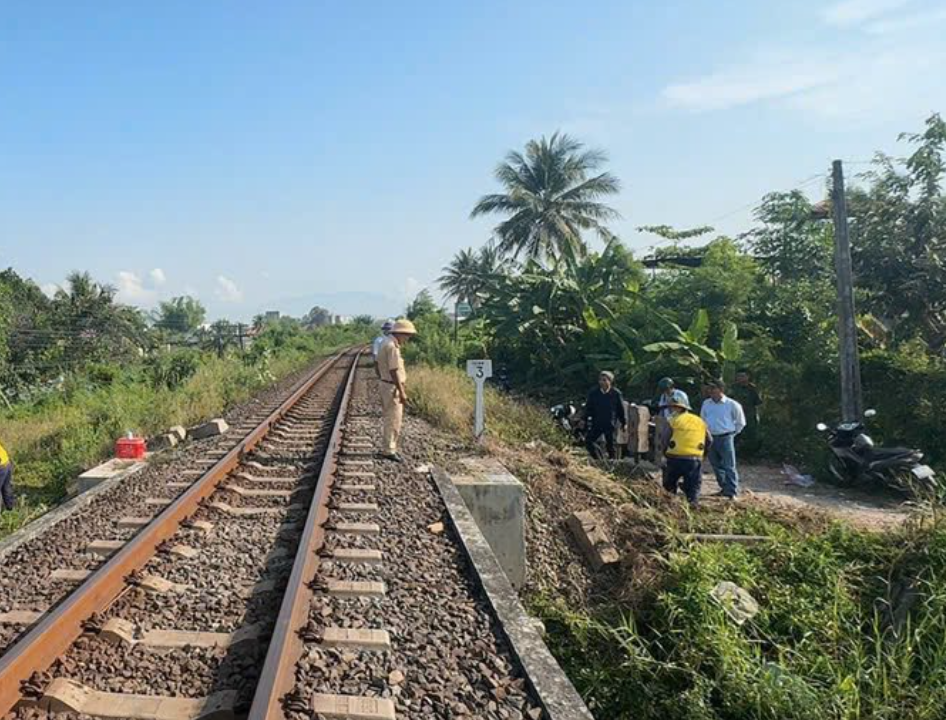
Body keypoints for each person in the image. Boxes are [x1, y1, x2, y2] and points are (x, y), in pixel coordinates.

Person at [375, 318, 417, 462]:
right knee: (393, 419)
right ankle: (389, 450)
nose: (408, 338)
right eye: (407, 335)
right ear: (400, 333)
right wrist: (402, 392)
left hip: (386, 383)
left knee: (389, 417)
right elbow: (394, 370)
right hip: (392, 386)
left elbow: (377, 364)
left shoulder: (385, 343)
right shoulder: (392, 346)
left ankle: (388, 447)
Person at [658, 395, 711, 507]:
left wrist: (664, 453)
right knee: (693, 486)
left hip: (674, 457)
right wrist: (703, 454)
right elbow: (710, 440)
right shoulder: (700, 421)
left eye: (672, 408)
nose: (671, 410)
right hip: (694, 458)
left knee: (669, 485)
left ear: (677, 408)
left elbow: (664, 439)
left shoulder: (673, 421)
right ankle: (693, 505)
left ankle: (669, 507)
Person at [700, 380, 746, 499]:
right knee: (716, 465)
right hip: (710, 438)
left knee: (729, 465)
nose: (710, 391)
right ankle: (724, 488)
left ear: (720, 389)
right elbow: (702, 420)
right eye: (709, 388)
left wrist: (732, 434)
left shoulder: (732, 404)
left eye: (713, 388)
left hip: (726, 437)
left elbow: (740, 423)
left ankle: (732, 492)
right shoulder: (706, 403)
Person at [583, 371, 627, 460]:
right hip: (597, 422)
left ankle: (613, 464)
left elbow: (620, 409)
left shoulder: (616, 394)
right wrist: (583, 419)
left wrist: (624, 422)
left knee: (611, 446)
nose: (602, 382)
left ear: (610, 381)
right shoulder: (594, 393)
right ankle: (599, 459)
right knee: (589, 441)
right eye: (600, 380)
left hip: (610, 423)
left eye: (604, 380)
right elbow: (588, 407)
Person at [730, 369, 762, 454]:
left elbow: (758, 403)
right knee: (735, 435)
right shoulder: (733, 388)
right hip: (735, 415)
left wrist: (757, 416)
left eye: (743, 376)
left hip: (749, 415)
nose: (740, 378)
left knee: (751, 435)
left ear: (748, 377)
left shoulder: (753, 389)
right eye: (739, 376)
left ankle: (749, 455)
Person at [0, 439, 14, 512]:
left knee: (6, 487)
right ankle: (10, 509)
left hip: (1, 466)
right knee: (6, 487)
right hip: (7, 462)